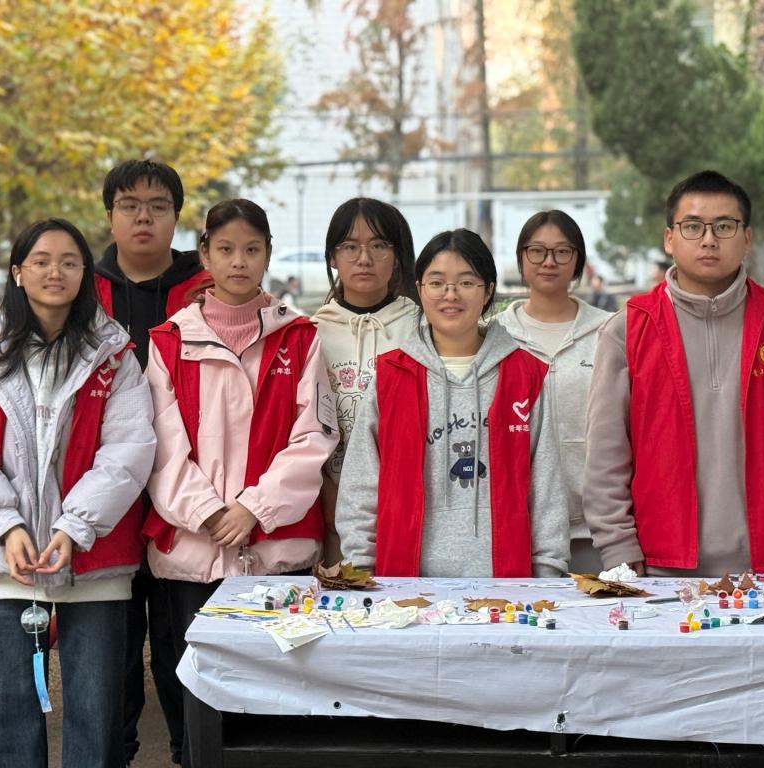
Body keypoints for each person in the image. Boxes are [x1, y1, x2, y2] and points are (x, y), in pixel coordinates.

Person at [0, 218, 156, 768]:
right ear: (18, 272)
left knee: (96, 715)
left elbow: (128, 450)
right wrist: (5, 525)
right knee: (7, 713)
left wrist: (74, 527)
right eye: (41, 261)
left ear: (86, 274)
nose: (56, 272)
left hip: (93, 556)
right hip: (7, 557)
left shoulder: (114, 355)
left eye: (70, 262)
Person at [144, 199, 338, 766]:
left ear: (268, 255)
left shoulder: (300, 337)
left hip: (275, 552)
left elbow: (314, 436)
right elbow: (159, 445)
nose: (239, 261)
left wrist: (255, 508)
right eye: (225, 249)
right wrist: (207, 512)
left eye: (252, 249)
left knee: (274, 703)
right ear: (204, 254)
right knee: (194, 700)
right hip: (191, 554)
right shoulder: (167, 342)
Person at [583, 170, 764, 577]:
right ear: (669, 238)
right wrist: (617, 543)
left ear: (747, 238)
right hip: (659, 565)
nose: (708, 239)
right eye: (693, 226)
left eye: (724, 226)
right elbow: (606, 451)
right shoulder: (629, 329)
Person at [336, 228, 569, 578]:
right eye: (437, 282)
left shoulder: (525, 375)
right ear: (420, 289)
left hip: (507, 584)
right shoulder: (391, 376)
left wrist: (547, 571)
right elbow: (361, 484)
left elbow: (546, 487)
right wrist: (361, 566)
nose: (450, 295)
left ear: (488, 290)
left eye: (466, 282)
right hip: (403, 584)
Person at [97, 159, 208, 766]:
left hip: (188, 498)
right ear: (109, 215)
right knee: (110, 646)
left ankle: (192, 752)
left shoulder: (210, 287)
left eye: (158, 206)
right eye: (130, 205)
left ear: (176, 216)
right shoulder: (83, 292)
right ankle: (112, 752)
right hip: (105, 498)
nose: (144, 217)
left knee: (182, 640)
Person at [493, 210, 611, 573]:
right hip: (517, 524)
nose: (549, 261)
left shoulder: (610, 331)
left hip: (595, 528)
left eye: (562, 251)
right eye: (537, 251)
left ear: (578, 260)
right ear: (521, 257)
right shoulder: (494, 335)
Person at [310, 198, 420, 564]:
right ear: (332, 256)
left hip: (410, 502)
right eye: (350, 246)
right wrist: (326, 491)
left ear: (398, 255)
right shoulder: (311, 333)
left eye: (379, 245)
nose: (364, 258)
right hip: (332, 506)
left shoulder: (422, 328)